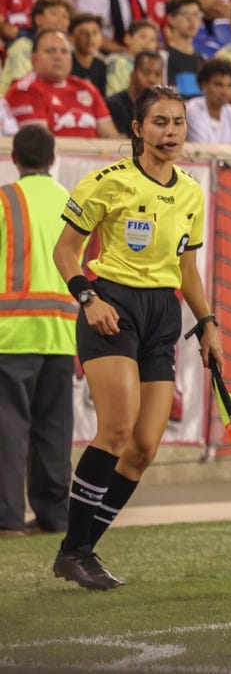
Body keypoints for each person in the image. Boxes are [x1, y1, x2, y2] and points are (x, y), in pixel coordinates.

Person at [51, 85, 224, 590]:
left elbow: (187, 268)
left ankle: (78, 551)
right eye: (159, 123)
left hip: (162, 315)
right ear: (137, 129)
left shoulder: (192, 192)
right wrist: (89, 299)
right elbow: (66, 252)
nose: (170, 132)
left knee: (146, 447)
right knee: (117, 430)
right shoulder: (107, 182)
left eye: (178, 123)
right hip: (113, 308)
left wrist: (207, 323)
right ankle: (76, 550)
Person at [0, 125, 76, 539]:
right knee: (55, 427)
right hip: (62, 331)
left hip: (12, 331)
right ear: (53, 157)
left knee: (8, 429)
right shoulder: (70, 201)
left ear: (14, 158)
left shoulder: (5, 200)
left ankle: (6, 518)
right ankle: (54, 515)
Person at [6, 29, 121, 139]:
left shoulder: (87, 88)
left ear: (71, 59)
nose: (58, 57)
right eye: (50, 51)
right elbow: (40, 147)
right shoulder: (24, 91)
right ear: (33, 58)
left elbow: (110, 136)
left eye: (64, 51)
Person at [186, 58, 231, 145]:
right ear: (204, 85)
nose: (225, 92)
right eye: (218, 85)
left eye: (229, 85)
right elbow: (203, 151)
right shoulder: (192, 110)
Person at [106, 49, 165, 134]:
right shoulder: (114, 105)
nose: (152, 79)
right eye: (146, 73)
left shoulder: (164, 109)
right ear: (132, 75)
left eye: (157, 74)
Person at [162, 0, 205, 99]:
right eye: (186, 14)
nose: (192, 20)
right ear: (171, 19)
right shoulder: (164, 57)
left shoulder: (201, 60)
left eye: (196, 15)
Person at [69, 13, 109, 95]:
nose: (90, 37)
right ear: (72, 38)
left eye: (95, 32)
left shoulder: (102, 66)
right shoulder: (66, 65)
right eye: (83, 33)